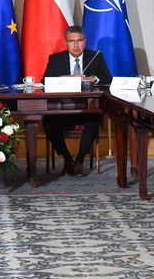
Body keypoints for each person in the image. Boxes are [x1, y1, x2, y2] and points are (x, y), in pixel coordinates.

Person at [41, 26, 112, 177]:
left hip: (87, 108)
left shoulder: (96, 56)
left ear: (85, 41)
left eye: (79, 41)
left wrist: (93, 78)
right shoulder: (56, 58)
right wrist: (66, 78)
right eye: (71, 41)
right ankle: (67, 159)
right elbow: (44, 81)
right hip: (62, 109)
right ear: (65, 43)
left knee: (95, 118)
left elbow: (108, 78)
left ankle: (79, 160)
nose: (76, 45)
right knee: (48, 122)